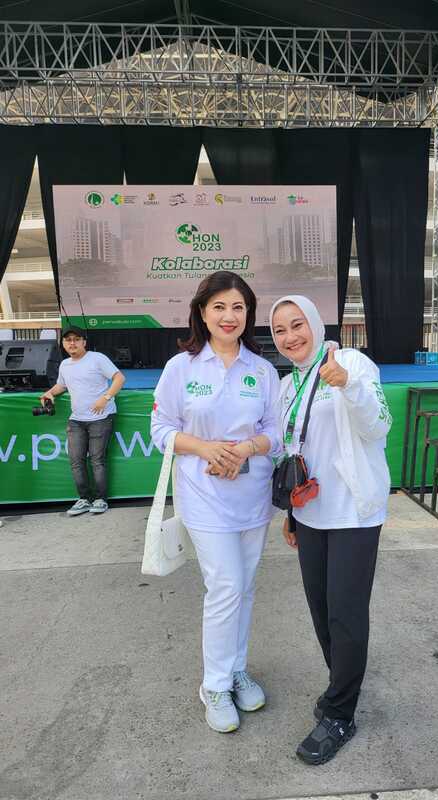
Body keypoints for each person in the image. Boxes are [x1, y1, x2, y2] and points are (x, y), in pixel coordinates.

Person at [150, 272, 281, 735]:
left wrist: (245, 449)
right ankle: (215, 685)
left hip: (253, 496)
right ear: (202, 313)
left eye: (238, 307)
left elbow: (276, 431)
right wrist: (206, 449)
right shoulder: (181, 368)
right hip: (204, 497)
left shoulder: (262, 371)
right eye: (220, 307)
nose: (229, 316)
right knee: (225, 585)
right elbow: (160, 429)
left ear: (248, 314)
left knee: (244, 587)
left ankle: (237, 668)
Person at [270, 295, 392, 766]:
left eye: (297, 324)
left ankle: (341, 713)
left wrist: (348, 386)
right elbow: (292, 452)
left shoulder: (352, 363)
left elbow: (379, 425)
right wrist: (290, 513)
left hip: (353, 514)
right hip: (310, 515)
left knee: (346, 614)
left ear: (316, 325)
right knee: (321, 612)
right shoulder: (287, 385)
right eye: (280, 330)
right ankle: (341, 684)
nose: (290, 337)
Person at [40, 326, 125, 516]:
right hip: (76, 420)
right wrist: (49, 393)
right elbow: (62, 385)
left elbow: (119, 378)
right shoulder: (65, 365)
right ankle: (84, 499)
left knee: (97, 460)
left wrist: (106, 398)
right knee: (76, 461)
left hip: (101, 418)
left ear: (84, 342)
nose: (72, 343)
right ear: (63, 344)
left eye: (76, 339)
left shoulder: (97, 358)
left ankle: (101, 499)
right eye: (68, 340)